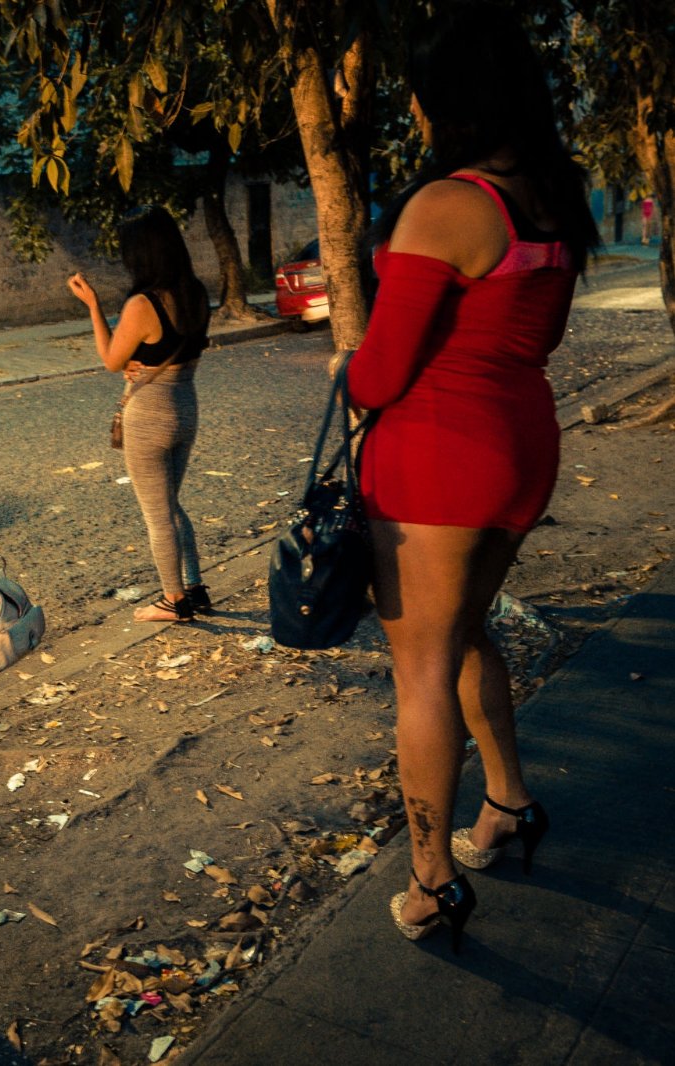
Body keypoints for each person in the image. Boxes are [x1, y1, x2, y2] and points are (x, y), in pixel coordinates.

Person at [333, 4, 599, 951]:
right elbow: (540, 335)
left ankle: (433, 881)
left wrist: (347, 369)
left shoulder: (446, 205)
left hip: (438, 461)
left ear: (447, 100)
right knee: (469, 629)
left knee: (420, 673)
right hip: (521, 445)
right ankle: (509, 806)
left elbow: (377, 375)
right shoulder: (552, 199)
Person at [67, 206, 211, 623]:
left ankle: (174, 600)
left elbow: (112, 360)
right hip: (186, 407)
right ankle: (195, 587)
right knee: (170, 504)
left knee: (158, 514)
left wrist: (92, 305)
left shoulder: (143, 304)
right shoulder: (196, 293)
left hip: (149, 415)